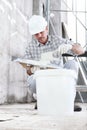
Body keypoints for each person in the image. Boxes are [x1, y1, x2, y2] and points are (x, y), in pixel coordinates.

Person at [24, 15, 85, 111]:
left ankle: (67, 101)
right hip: (42, 80)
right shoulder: (30, 47)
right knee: (31, 80)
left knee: (72, 64)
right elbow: (28, 71)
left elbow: (81, 50)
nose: (39, 36)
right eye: (36, 34)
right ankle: (43, 100)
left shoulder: (57, 41)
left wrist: (70, 46)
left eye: (41, 32)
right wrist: (33, 69)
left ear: (46, 29)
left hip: (58, 79)